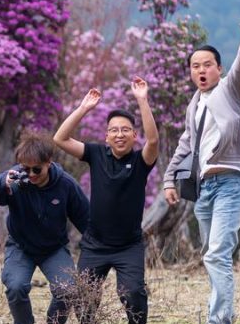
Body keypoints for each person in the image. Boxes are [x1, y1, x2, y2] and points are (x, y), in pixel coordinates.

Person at [162, 31, 240, 324]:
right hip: (204, 189)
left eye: (207, 64)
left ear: (219, 68)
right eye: (195, 66)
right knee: (210, 254)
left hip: (231, 182)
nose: (201, 70)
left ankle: (219, 319)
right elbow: (186, 144)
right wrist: (169, 180)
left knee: (216, 254)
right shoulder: (194, 104)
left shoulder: (231, 90)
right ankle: (218, 311)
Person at [53, 77, 159, 324]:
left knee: (133, 294)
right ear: (107, 136)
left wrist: (142, 100)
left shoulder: (141, 161)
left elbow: (153, 141)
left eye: (125, 130)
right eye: (113, 130)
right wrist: (84, 108)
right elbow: (60, 139)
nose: (119, 134)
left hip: (129, 246)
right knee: (85, 303)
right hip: (94, 245)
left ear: (134, 135)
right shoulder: (96, 154)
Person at [0, 134, 90, 324]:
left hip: (53, 248)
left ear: (48, 162)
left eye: (37, 169)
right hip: (20, 246)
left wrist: (99, 247)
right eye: (26, 168)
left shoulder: (65, 184)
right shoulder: (15, 180)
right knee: (16, 287)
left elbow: (85, 219)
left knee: (67, 290)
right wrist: (3, 182)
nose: (31, 174)